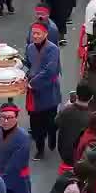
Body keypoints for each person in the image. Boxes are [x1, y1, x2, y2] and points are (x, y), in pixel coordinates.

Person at [25, 22, 62, 161]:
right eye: (33, 33)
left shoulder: (53, 49)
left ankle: (52, 135)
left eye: (38, 33)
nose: (34, 36)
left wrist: (32, 82)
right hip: (34, 92)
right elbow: (28, 64)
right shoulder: (29, 48)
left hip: (49, 89)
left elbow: (50, 71)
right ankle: (40, 148)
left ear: (45, 34)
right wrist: (21, 67)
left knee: (50, 120)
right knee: (35, 123)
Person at [54, 83, 93, 167]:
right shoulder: (90, 117)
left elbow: (56, 122)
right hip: (80, 156)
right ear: (91, 97)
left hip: (64, 152)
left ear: (77, 95)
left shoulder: (66, 110)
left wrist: (65, 107)